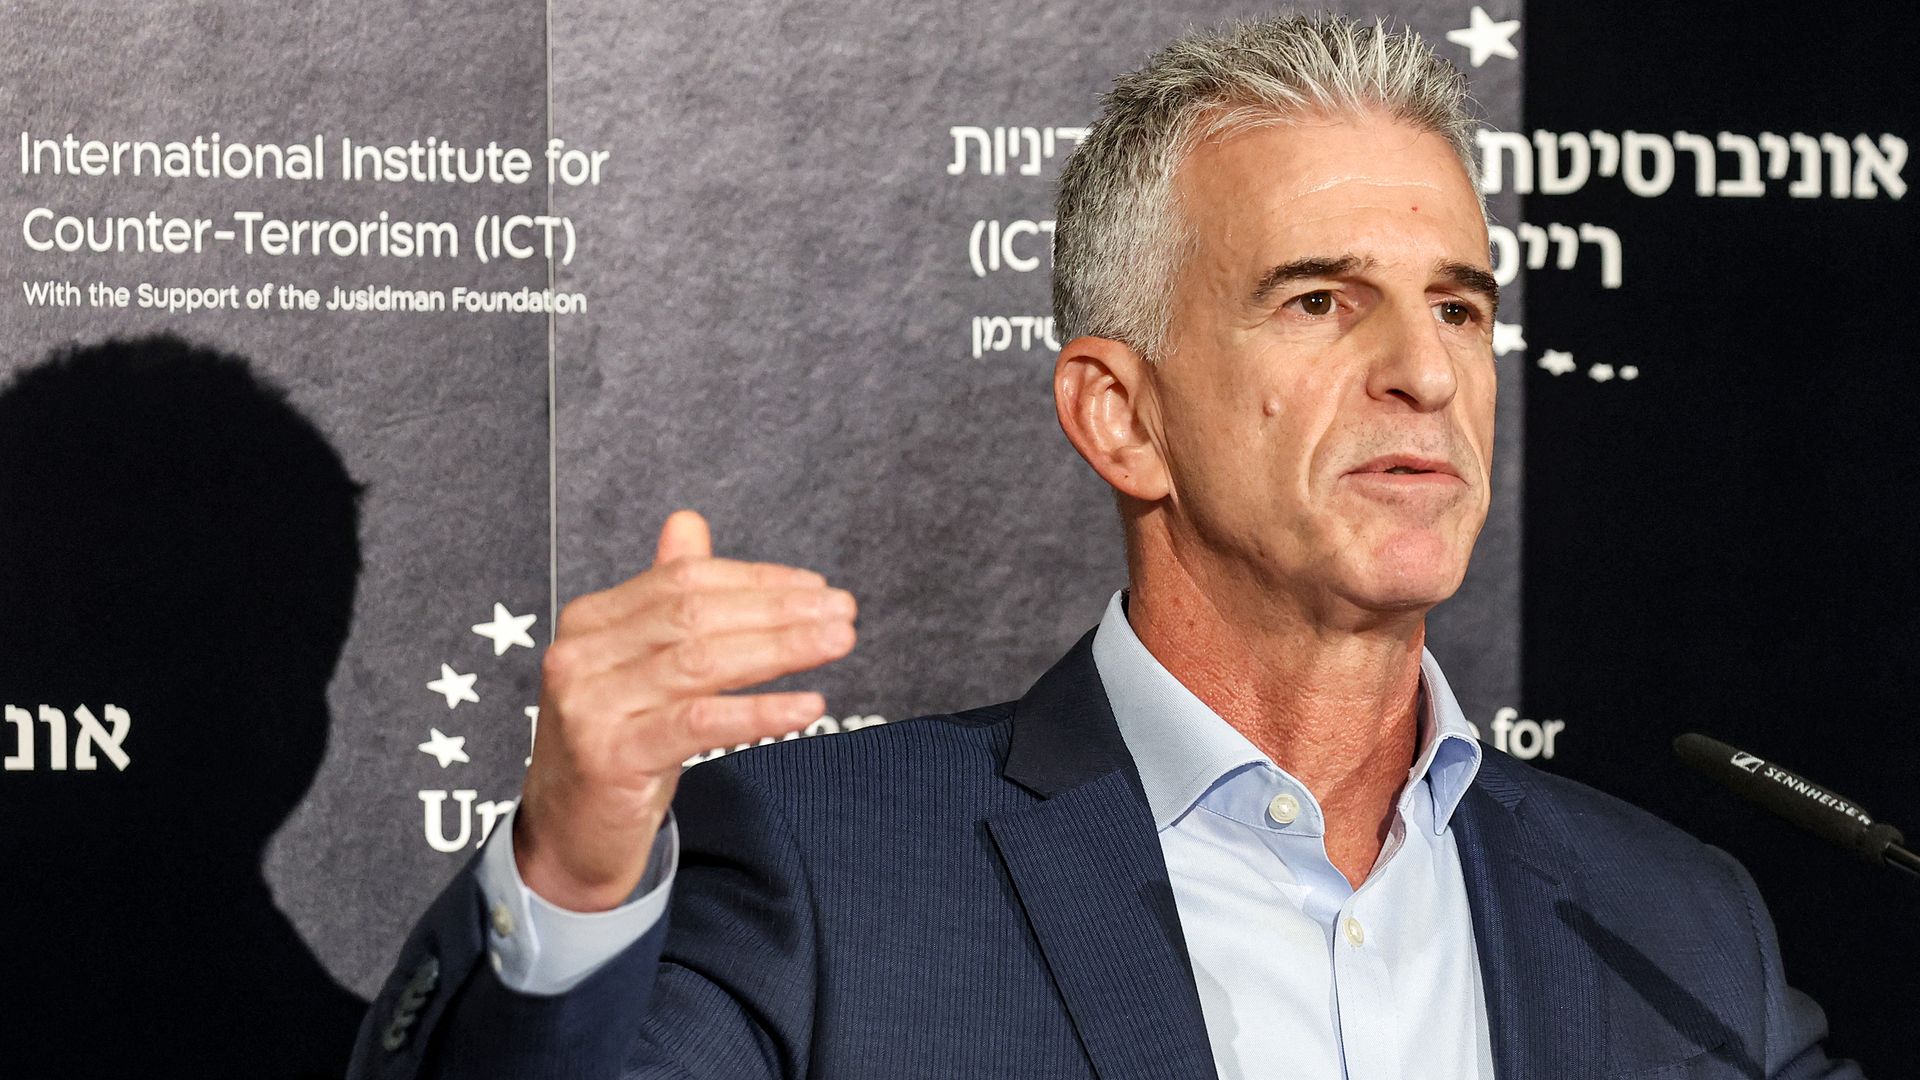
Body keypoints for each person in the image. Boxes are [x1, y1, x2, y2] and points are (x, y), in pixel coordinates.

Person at [351, 14, 1858, 1079]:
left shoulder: (1668, 919)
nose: (1426, 371)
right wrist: (566, 874)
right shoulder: (832, 874)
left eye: (1460, 305)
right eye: (1321, 300)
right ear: (1121, 415)